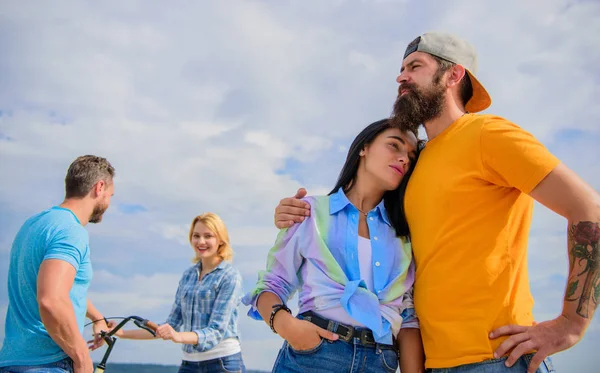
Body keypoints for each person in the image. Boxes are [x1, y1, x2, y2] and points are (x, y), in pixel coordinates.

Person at [273, 32, 600, 373]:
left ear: (454, 75)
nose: (401, 77)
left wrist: (570, 324)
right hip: (431, 363)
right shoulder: (415, 161)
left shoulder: (489, 134)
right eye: (401, 69)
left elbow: (589, 210)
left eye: (415, 66)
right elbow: (364, 217)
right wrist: (297, 210)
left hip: (497, 357)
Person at [243, 119, 425, 373]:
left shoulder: (403, 236)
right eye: (394, 145)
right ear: (364, 148)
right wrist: (290, 328)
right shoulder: (310, 212)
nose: (404, 159)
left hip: (379, 361)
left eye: (411, 156)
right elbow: (272, 285)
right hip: (314, 356)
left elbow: (407, 316)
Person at [0, 155, 116, 373]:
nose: (109, 202)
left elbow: (57, 285)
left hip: (12, 360)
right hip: (48, 362)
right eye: (110, 195)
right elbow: (51, 299)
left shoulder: (33, 224)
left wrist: (97, 318)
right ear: (99, 187)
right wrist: (82, 359)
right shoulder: (71, 231)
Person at [113, 212, 246, 373]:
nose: (201, 241)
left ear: (220, 241)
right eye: (196, 236)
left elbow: (216, 331)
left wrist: (178, 336)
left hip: (222, 363)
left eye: (208, 236)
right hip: (189, 364)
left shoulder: (230, 276)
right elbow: (170, 325)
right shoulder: (188, 276)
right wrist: (120, 332)